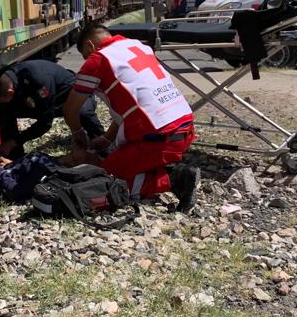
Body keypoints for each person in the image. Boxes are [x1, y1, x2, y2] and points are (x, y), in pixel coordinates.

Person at [63, 23, 200, 211]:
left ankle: (173, 178)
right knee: (119, 166)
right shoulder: (137, 46)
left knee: (106, 182)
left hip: (158, 140)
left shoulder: (98, 59)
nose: (86, 60)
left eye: (85, 55)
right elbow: (134, 102)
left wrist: (77, 132)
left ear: (90, 46)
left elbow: (70, 109)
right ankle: (159, 167)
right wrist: (107, 138)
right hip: (184, 127)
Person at [0, 59, 104, 157]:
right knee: (3, 111)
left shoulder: (38, 80)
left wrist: (15, 140)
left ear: (9, 92)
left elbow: (45, 123)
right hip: (44, 101)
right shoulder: (6, 80)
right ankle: (15, 156)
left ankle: (104, 146)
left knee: (83, 113)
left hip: (71, 96)